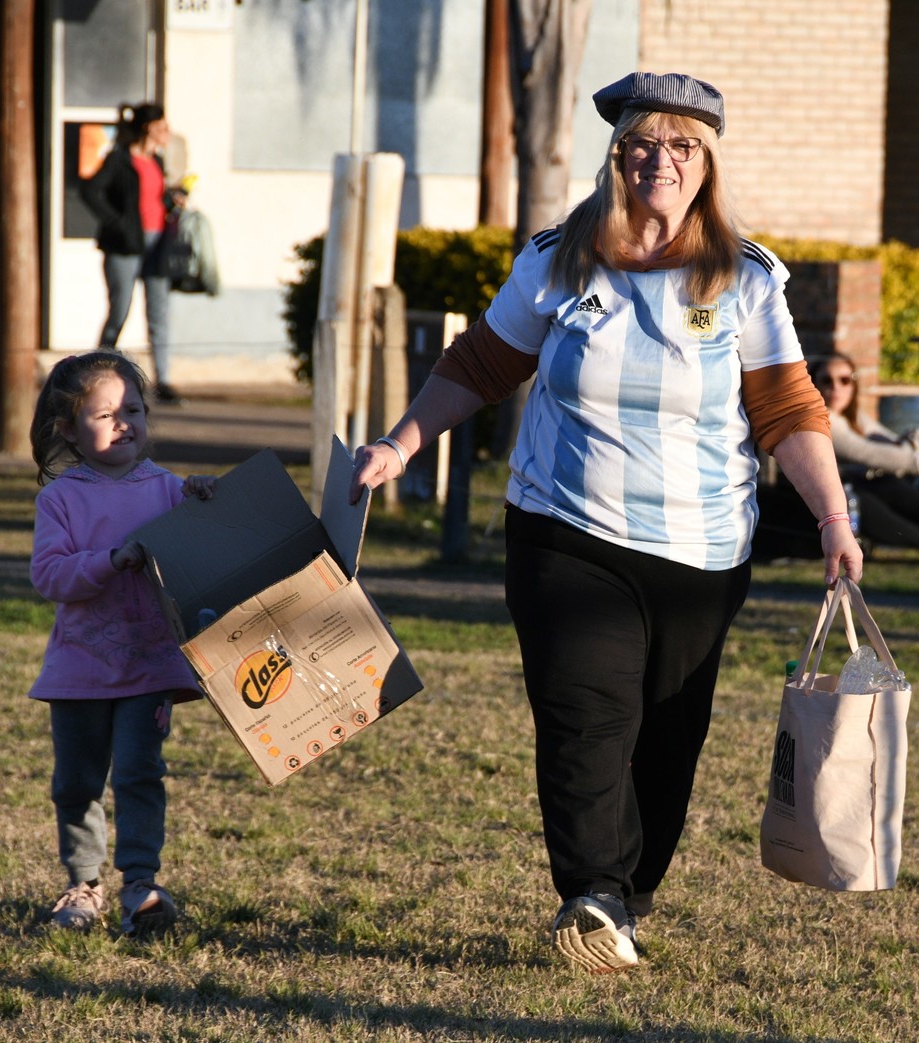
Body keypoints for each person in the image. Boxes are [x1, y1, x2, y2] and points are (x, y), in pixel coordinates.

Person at [350, 71, 862, 974]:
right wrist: (400, 444)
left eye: (680, 146)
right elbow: (479, 364)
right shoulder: (558, 260)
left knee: (668, 735)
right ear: (615, 156)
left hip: (703, 548)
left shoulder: (742, 279)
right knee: (585, 714)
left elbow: (788, 408)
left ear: (706, 163)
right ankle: (589, 890)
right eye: (640, 144)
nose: (657, 161)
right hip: (563, 530)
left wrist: (831, 515)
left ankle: (629, 890)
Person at [28, 351, 215, 935]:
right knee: (78, 781)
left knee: (140, 772)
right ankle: (82, 886)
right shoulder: (60, 499)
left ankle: (140, 886)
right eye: (106, 414)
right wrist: (110, 561)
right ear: (68, 430)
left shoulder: (167, 489)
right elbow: (49, 575)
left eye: (133, 409)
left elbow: (208, 543)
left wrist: (207, 499)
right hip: (79, 670)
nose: (124, 423)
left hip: (152, 666)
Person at [811, 352, 919, 566]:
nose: (836, 387)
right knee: (864, 498)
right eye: (826, 380)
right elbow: (866, 453)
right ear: (814, 384)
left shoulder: (853, 417)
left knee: (888, 484)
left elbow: (887, 440)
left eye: (845, 380)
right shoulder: (821, 419)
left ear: (854, 385)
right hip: (829, 496)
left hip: (855, 486)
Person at [82, 103, 182, 405]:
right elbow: (91, 191)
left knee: (159, 313)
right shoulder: (120, 159)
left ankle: (163, 380)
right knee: (120, 309)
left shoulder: (158, 161)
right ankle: (95, 373)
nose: (167, 133)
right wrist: (116, 223)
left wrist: (172, 199)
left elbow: (152, 197)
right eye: (162, 127)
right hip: (126, 244)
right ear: (147, 128)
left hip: (157, 243)